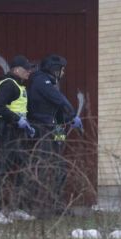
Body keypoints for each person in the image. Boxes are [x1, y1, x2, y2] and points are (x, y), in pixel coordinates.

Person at [27, 54, 82, 214]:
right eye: (61, 70)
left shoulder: (49, 83)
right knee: (43, 168)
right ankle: (36, 206)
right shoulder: (42, 82)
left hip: (51, 128)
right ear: (54, 69)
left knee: (59, 168)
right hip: (42, 129)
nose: (63, 73)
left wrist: (67, 119)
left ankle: (57, 205)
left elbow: (54, 109)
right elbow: (59, 100)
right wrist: (72, 115)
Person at [0, 55, 37, 224]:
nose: (29, 72)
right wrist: (17, 120)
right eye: (26, 68)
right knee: (1, 171)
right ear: (17, 69)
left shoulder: (19, 85)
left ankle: (17, 209)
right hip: (8, 133)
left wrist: (27, 125)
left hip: (18, 134)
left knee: (22, 171)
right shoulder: (9, 84)